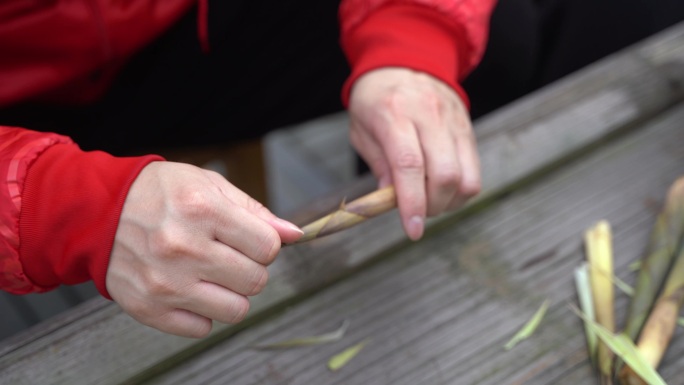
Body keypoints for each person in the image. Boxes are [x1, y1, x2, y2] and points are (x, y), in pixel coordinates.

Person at [0, 0, 495, 338]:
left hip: (179, 22)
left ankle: (447, 279)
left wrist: (412, 42)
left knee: (510, 34)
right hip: (22, 99)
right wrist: (66, 206)